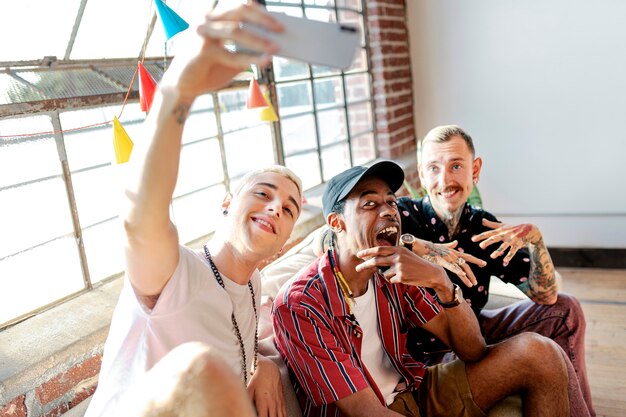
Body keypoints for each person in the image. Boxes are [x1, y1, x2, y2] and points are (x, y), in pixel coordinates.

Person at [85, 3, 301, 416]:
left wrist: (266, 369)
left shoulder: (252, 287)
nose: (276, 206)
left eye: (289, 208)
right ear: (226, 203)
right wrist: (180, 88)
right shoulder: (174, 275)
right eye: (262, 193)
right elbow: (140, 221)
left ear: (284, 242)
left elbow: (233, 340)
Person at [272, 161, 570, 417]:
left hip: (416, 390)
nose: (388, 211)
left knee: (540, 353)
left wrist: (440, 281)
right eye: (370, 204)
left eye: (391, 202)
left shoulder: (396, 270)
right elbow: (367, 412)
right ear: (336, 222)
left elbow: (473, 350)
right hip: (374, 410)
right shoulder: (301, 304)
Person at [397, 125, 594, 416]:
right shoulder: (403, 216)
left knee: (566, 309)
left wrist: (536, 241)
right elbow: (341, 241)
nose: (445, 179)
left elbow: (547, 296)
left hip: (476, 331)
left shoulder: (482, 227)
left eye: (456, 166)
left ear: (474, 170)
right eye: (434, 168)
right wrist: (427, 249)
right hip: (430, 356)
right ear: (422, 175)